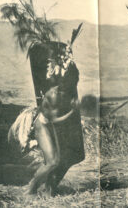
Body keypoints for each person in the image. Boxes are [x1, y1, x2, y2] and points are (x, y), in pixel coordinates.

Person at [24, 42, 85, 196]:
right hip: (43, 125)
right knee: (52, 162)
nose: (72, 83)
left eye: (74, 81)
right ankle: (31, 190)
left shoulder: (68, 94)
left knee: (63, 158)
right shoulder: (53, 95)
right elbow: (54, 120)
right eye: (71, 80)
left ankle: (49, 189)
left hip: (53, 126)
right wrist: (72, 112)